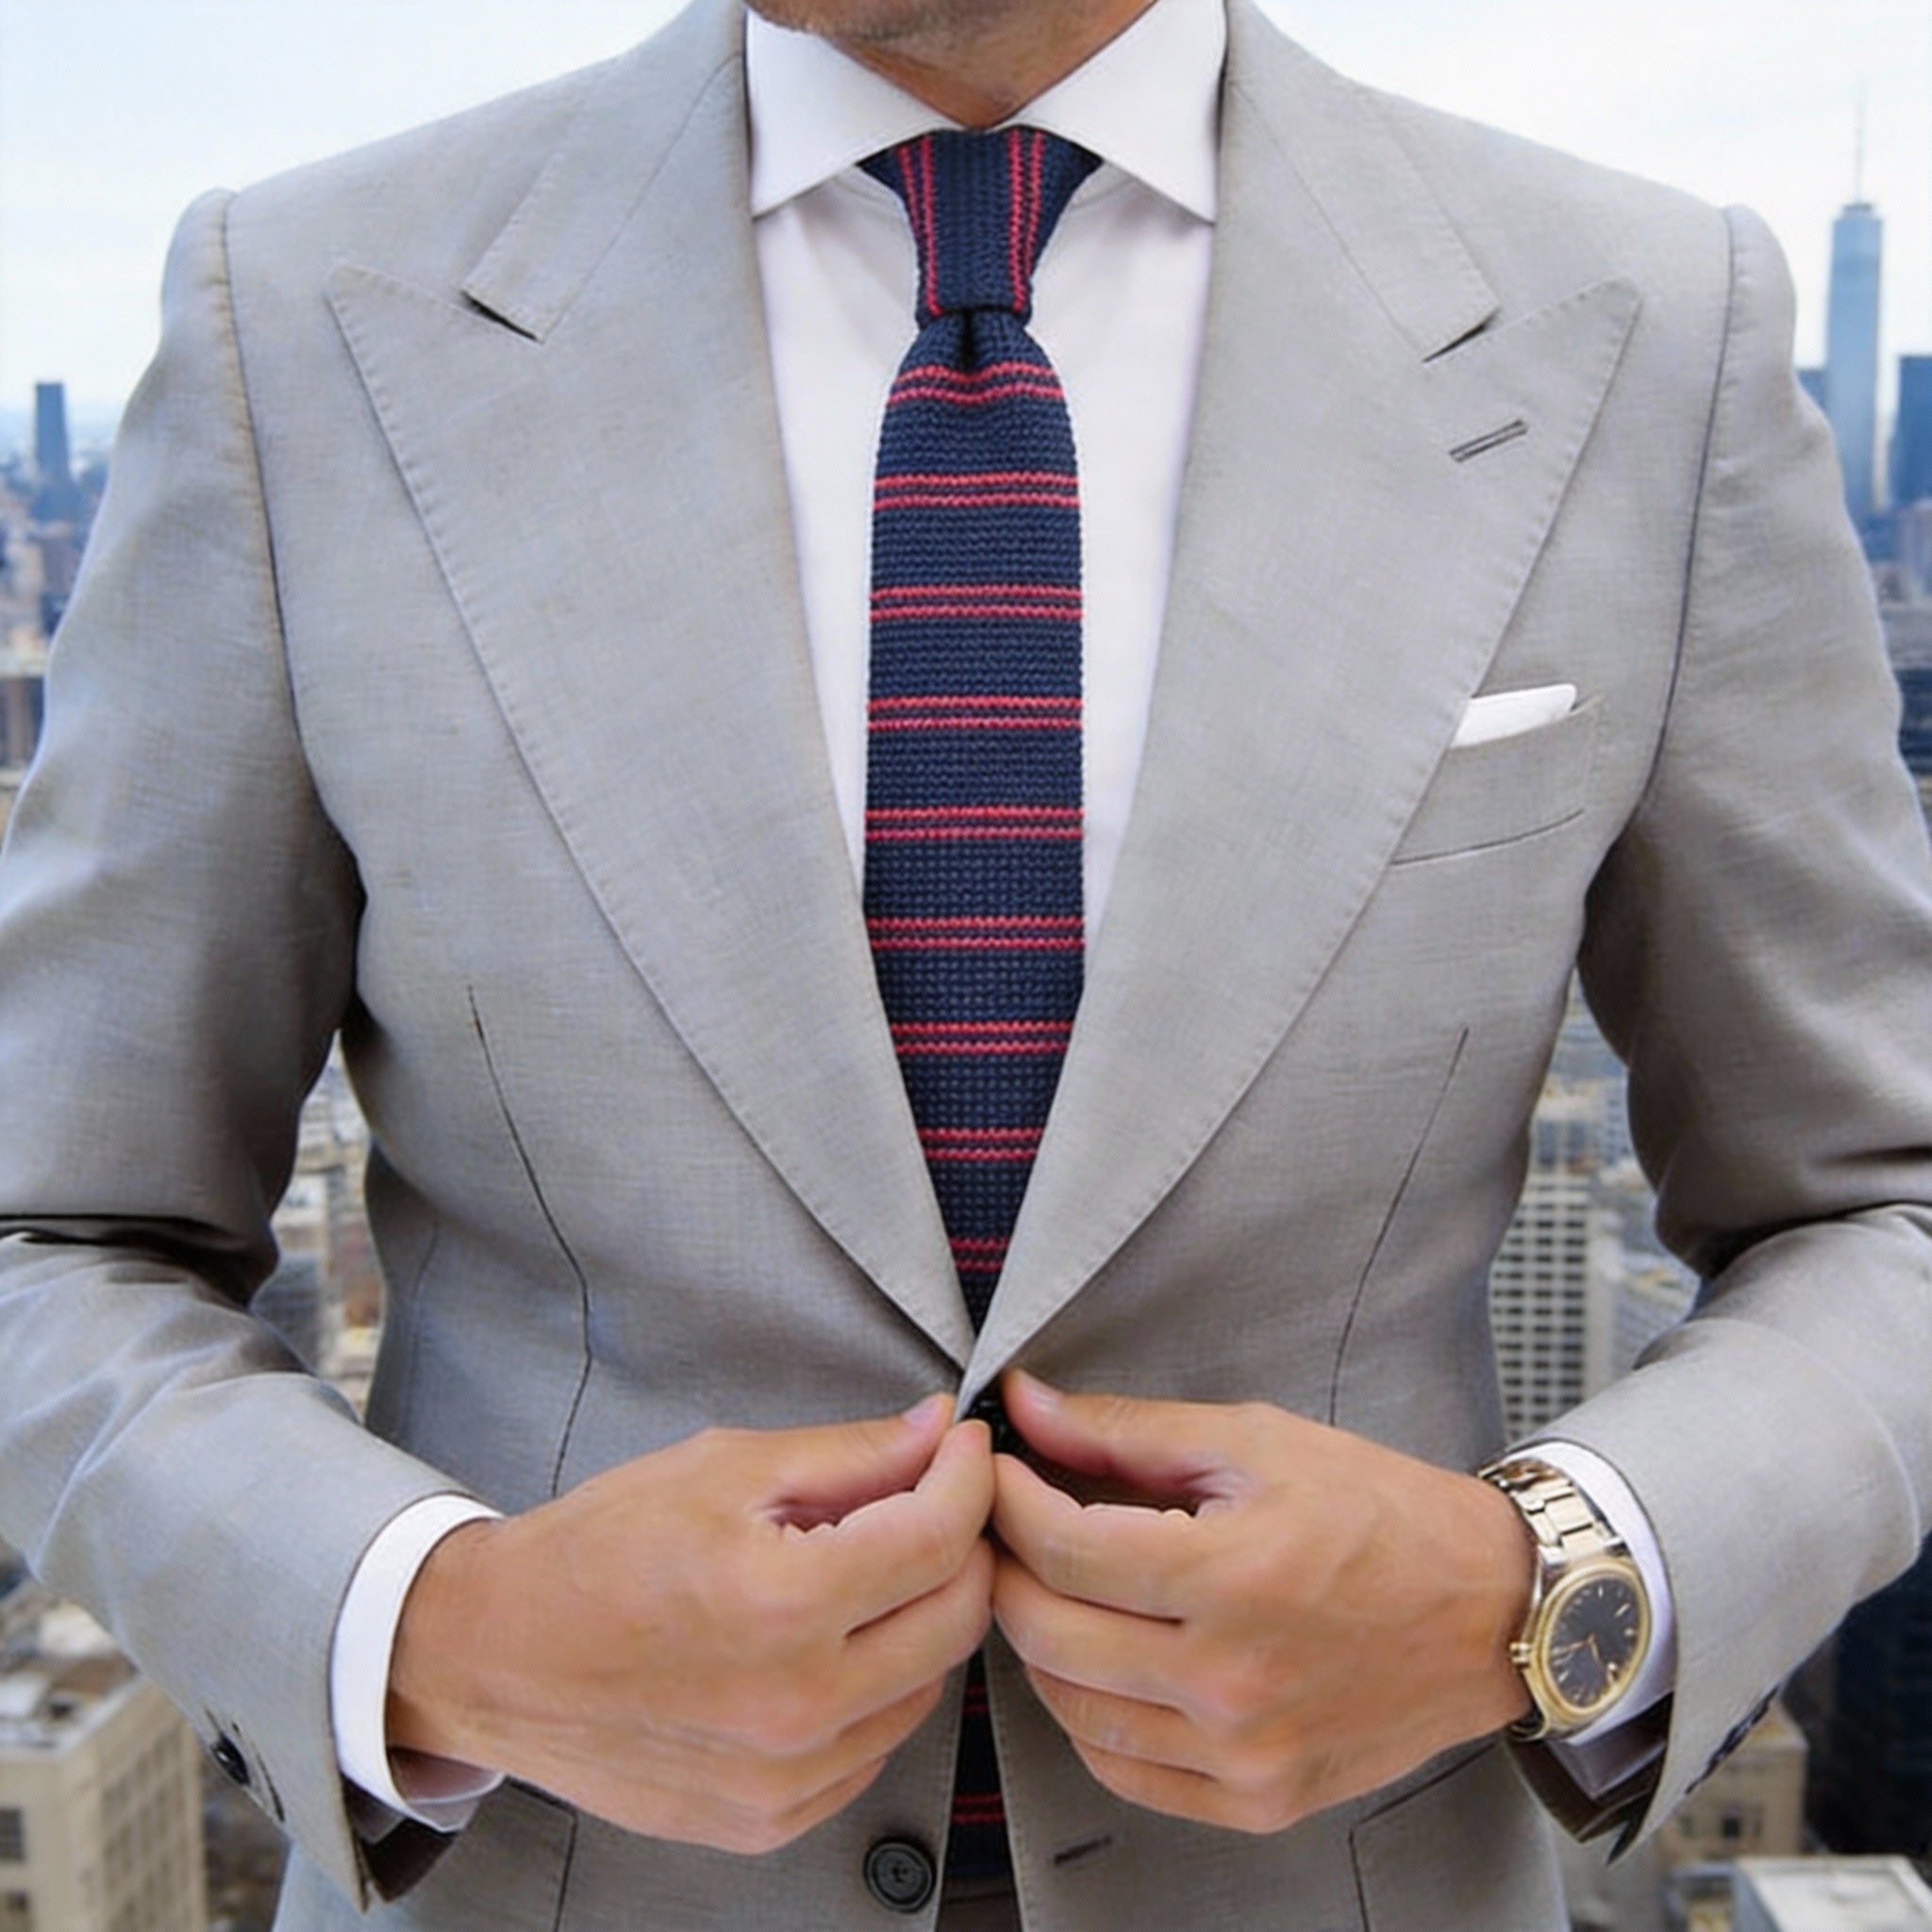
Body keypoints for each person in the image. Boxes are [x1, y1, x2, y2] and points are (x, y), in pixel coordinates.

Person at [1, 0, 1929, 1924]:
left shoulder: (1647, 328)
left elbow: (1881, 1202)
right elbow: (54, 1232)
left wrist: (1543, 1588)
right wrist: (447, 1629)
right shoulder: (303, 318)